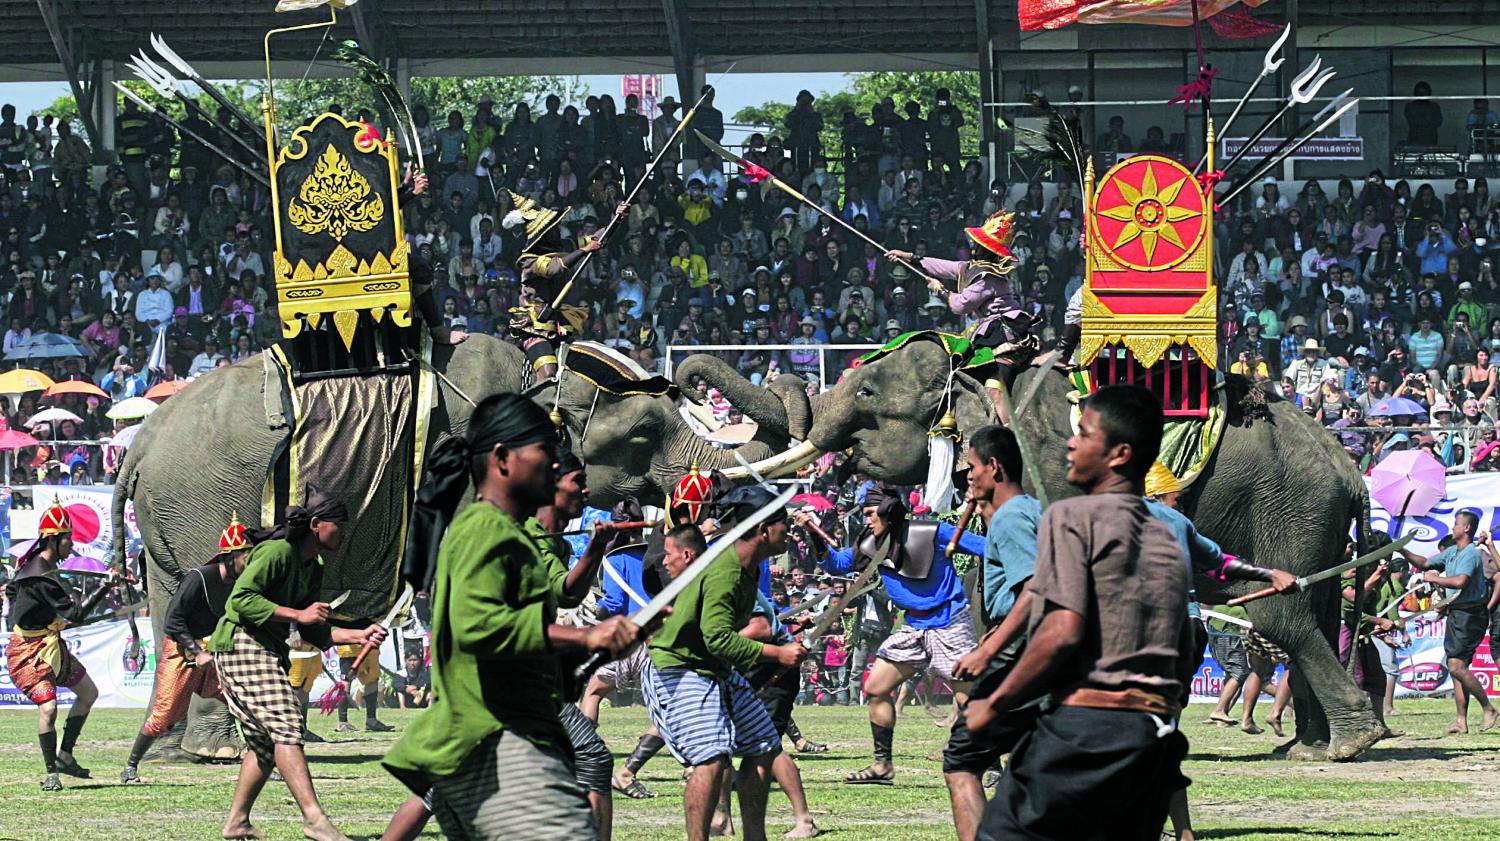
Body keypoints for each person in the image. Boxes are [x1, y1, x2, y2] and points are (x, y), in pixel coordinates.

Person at [383, 394, 642, 841]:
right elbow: (477, 628)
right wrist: (583, 638)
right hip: (494, 736)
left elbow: (522, 641)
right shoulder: (485, 531)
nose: (554, 468)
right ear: (503, 458)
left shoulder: (506, 535)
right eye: (543, 451)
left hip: (508, 728)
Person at [967, 385, 1190, 841]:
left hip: (1084, 735)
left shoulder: (1072, 517)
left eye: (1084, 435)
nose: (1071, 443)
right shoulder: (1166, 539)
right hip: (1151, 744)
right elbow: (1181, 648)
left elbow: (1061, 632)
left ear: (1119, 454)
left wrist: (996, 701)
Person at [209, 489, 388, 841]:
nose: (344, 533)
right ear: (317, 525)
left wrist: (359, 635)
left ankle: (237, 823)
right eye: (340, 526)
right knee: (289, 725)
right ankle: (314, 820)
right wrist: (297, 613)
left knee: (264, 745)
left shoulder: (313, 565)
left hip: (267, 649)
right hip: (240, 644)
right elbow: (242, 599)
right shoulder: (277, 552)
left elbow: (314, 628)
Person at [642, 484, 806, 841]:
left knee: (763, 746)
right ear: (764, 530)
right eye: (783, 522)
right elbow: (716, 638)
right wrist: (776, 653)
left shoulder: (747, 566)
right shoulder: (726, 571)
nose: (789, 530)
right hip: (678, 667)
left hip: (712, 667)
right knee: (712, 756)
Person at [796, 484, 986, 785]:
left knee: (969, 700)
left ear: (888, 511)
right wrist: (812, 533)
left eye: (872, 513)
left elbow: (986, 548)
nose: (868, 519)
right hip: (913, 626)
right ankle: (882, 765)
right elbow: (838, 564)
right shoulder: (870, 543)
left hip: (951, 621)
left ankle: (991, 767)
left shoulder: (934, 531)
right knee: (876, 688)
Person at [943, 426, 1043, 841]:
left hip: (1022, 654)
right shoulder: (1032, 510)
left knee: (962, 760)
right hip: (1032, 649)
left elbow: (1036, 590)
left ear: (994, 467)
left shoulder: (1012, 517)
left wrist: (991, 649)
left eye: (972, 466)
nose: (968, 476)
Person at [121, 514, 253, 784]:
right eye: (245, 557)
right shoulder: (199, 579)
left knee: (241, 699)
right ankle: (131, 765)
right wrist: (196, 649)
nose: (248, 563)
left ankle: (263, 759)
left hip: (211, 650)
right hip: (181, 650)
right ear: (230, 556)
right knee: (165, 714)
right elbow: (173, 621)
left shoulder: (238, 583)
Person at [4, 499, 113, 791]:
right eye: (69, 540)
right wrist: (105, 587)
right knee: (49, 708)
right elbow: (75, 614)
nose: (72, 546)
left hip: (52, 645)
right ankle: (51, 770)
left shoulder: (40, 565)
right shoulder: (41, 574)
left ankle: (65, 755)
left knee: (88, 692)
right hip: (28, 654)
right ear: (55, 539)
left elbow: (17, 593)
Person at [884, 210, 1036, 416]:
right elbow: (943, 266)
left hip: (1004, 334)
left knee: (994, 390)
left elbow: (960, 305)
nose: (976, 247)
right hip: (988, 329)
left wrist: (940, 290)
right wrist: (909, 257)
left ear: (989, 252)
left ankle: (1007, 433)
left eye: (981, 246)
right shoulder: (972, 267)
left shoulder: (989, 278)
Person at [1398, 509, 1499, 734]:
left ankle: (1488, 708)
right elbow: (1424, 563)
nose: (1452, 528)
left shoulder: (1471, 554)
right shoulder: (1453, 551)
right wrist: (1402, 549)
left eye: (1455, 524)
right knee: (1456, 668)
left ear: (1466, 529)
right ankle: (1461, 721)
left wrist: (1435, 578)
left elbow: (1461, 581)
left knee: (1457, 667)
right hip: (1456, 614)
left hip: (1470, 615)